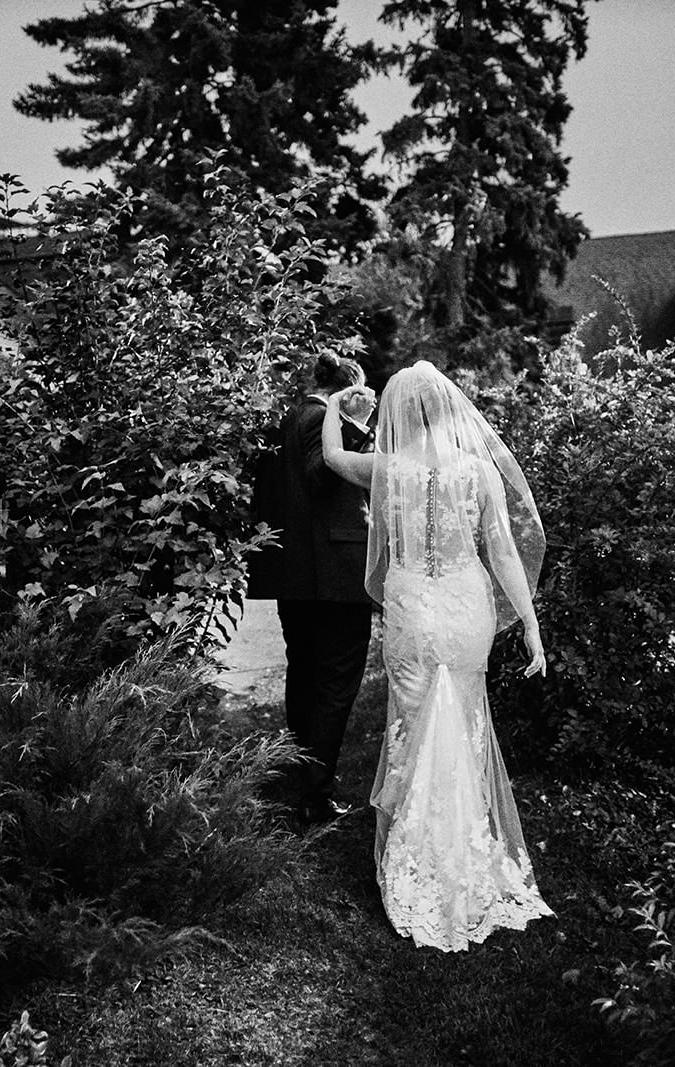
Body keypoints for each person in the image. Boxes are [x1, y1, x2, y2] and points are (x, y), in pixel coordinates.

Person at [320, 360, 553, 951]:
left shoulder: (385, 467)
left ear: (399, 412)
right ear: (450, 409)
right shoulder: (477, 470)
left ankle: (416, 853)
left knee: (412, 721)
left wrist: (335, 407)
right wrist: (529, 623)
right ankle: (467, 847)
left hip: (412, 612)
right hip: (466, 607)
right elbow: (503, 553)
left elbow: (333, 458)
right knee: (466, 721)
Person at [251, 353, 377, 824]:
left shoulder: (283, 420)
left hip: (296, 574)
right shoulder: (321, 419)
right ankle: (316, 796)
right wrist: (356, 427)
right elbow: (320, 476)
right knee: (335, 682)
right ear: (348, 389)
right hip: (334, 575)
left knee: (304, 672)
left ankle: (302, 773)